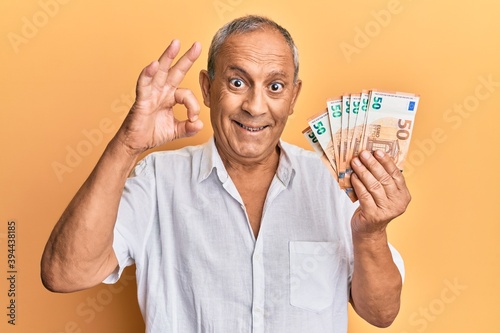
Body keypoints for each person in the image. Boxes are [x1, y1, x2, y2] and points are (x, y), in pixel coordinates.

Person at [41, 15, 411, 333]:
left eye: (275, 87)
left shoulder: (334, 180)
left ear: (294, 97)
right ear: (207, 87)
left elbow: (380, 313)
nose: (254, 106)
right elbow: (65, 273)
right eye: (237, 82)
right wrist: (127, 145)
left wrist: (371, 232)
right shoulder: (158, 180)